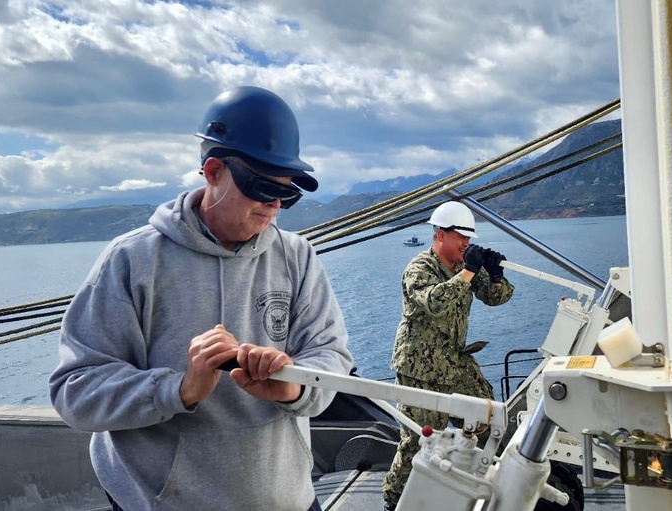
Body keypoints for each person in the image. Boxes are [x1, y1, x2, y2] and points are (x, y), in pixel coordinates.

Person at [49, 86, 353, 511]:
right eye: (260, 188)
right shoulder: (132, 260)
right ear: (213, 172)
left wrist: (290, 383)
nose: (273, 207)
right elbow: (75, 391)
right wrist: (179, 389)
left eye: (286, 193)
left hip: (286, 500)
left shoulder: (298, 257)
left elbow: (331, 358)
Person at [381, 201, 515, 510]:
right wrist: (469, 270)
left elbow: (496, 298)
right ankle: (394, 501)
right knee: (419, 440)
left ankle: (486, 484)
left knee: (489, 419)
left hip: (455, 363)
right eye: (460, 237)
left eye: (469, 238)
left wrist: (495, 274)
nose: (466, 243)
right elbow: (435, 303)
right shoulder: (419, 268)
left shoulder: (463, 266)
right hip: (420, 369)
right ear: (441, 235)